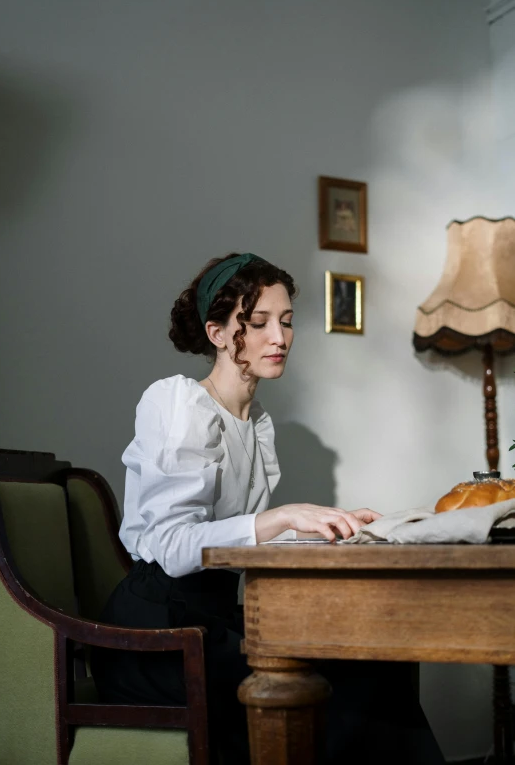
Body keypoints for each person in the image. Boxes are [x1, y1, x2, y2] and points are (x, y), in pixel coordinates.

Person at [92, 253, 445, 764]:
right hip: (158, 640)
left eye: (285, 322)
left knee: (375, 665)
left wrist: (335, 528)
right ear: (216, 333)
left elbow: (236, 543)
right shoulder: (177, 405)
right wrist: (281, 517)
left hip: (216, 621)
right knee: (345, 693)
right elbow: (172, 546)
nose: (279, 338)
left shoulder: (255, 423)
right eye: (257, 323)